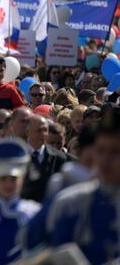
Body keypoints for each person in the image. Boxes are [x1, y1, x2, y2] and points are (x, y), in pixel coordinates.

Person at [28, 106, 119, 264]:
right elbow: (31, 239)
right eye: (100, 151)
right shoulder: (71, 202)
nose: (105, 160)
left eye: (115, 152)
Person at [21, 115, 69, 202]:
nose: (43, 134)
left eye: (45, 130)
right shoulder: (19, 154)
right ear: (28, 132)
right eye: (39, 130)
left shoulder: (58, 158)